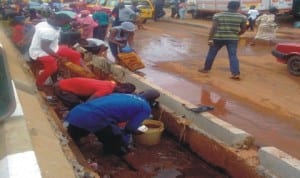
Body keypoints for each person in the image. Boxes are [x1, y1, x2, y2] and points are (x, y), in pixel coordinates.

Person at [64, 89, 160, 156]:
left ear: (141, 92)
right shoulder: (145, 107)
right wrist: (144, 129)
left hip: (77, 113)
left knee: (75, 136)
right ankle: (113, 154)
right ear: (153, 101)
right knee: (116, 142)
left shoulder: (123, 95)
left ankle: (75, 142)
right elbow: (130, 128)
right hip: (96, 118)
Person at [28, 12, 84, 90]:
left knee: (75, 54)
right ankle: (39, 83)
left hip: (53, 47)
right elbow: (44, 47)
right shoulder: (49, 31)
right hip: (40, 52)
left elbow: (34, 31)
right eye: (66, 23)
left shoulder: (48, 23)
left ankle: (75, 75)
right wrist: (59, 57)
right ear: (60, 21)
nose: (67, 25)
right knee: (52, 67)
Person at [198, 1, 247, 80]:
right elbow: (244, 29)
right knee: (233, 56)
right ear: (238, 7)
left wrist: (210, 39)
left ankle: (206, 69)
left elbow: (214, 28)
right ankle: (235, 73)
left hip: (218, 38)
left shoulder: (218, 15)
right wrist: (237, 34)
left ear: (227, 6)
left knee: (211, 54)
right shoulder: (242, 17)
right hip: (232, 39)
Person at [53, 77, 136, 109]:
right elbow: (89, 102)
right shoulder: (106, 89)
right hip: (61, 89)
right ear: (122, 89)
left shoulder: (110, 83)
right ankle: (67, 111)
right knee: (78, 105)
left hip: (61, 83)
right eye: (124, 93)